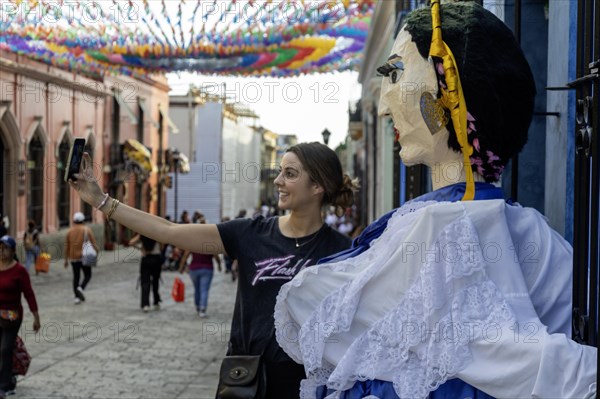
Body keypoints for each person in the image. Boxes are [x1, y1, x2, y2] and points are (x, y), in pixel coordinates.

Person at [274, 2, 597, 399]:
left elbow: (517, 357)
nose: (384, 104)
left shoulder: (447, 227)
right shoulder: (535, 233)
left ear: (449, 87)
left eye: (395, 73)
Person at [69, 141, 358, 398]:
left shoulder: (344, 253)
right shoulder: (250, 234)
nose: (279, 181)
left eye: (290, 174)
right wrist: (102, 201)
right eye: (280, 171)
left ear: (318, 186)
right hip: (247, 380)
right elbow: (168, 230)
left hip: (309, 385)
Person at [0, 235, 40, 398]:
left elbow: (29, 294)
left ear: (13, 251)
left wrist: (36, 317)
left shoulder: (19, 271)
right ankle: (9, 376)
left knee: (5, 348)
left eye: (5, 249)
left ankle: (5, 385)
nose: (1, 252)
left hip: (12, 317)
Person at [178, 215, 221, 317]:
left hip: (194, 269)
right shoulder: (210, 241)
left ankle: (197, 306)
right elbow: (216, 255)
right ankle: (202, 309)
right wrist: (219, 265)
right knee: (204, 289)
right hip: (207, 268)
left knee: (197, 289)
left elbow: (185, 255)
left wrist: (181, 267)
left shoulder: (193, 240)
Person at [64, 212, 99, 304]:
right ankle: (81, 287)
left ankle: (77, 297)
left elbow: (66, 247)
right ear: (83, 221)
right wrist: (97, 252)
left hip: (73, 258)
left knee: (76, 277)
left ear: (74, 221)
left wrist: (65, 260)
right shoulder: (86, 230)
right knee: (88, 275)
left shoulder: (69, 232)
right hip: (84, 257)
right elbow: (93, 243)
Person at [129, 234, 163, 312]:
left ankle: (145, 304)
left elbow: (131, 242)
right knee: (155, 281)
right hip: (156, 258)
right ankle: (156, 301)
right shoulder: (157, 234)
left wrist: (141, 248)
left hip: (146, 259)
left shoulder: (142, 234)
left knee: (145, 282)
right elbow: (162, 246)